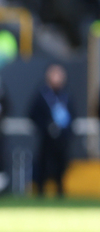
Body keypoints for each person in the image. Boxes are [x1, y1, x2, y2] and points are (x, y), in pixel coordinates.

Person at [28, 64, 74, 197]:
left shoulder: (66, 95)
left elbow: (72, 115)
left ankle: (60, 191)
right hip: (46, 138)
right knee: (43, 165)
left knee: (61, 166)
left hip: (62, 139)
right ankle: (40, 191)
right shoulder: (42, 95)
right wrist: (46, 127)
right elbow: (33, 114)